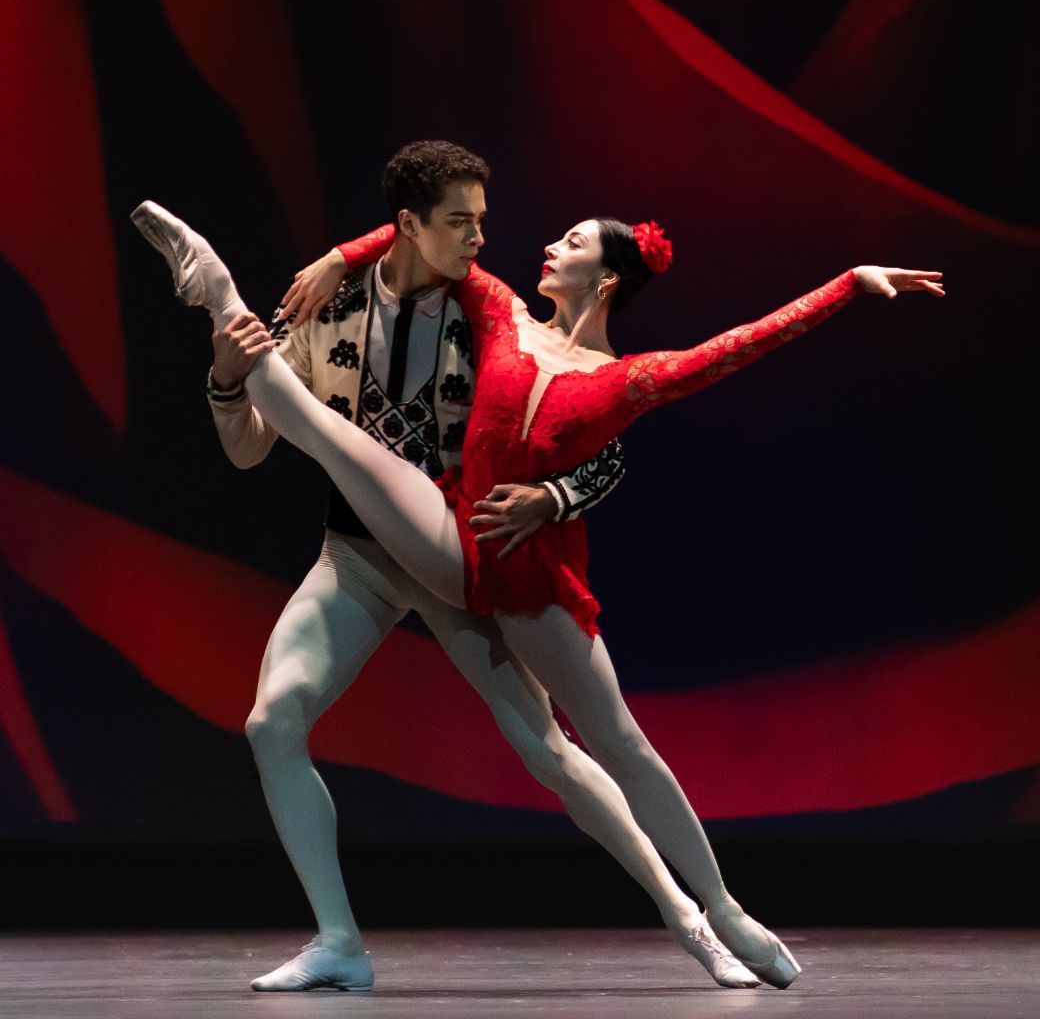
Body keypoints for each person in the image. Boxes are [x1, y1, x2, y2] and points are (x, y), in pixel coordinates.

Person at [133, 190, 943, 992]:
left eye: (573, 239)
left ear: (608, 278)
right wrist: (337, 257)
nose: (535, 243)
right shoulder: (493, 314)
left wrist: (848, 283)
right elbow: (421, 214)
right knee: (329, 443)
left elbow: (734, 349)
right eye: (469, 225)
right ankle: (217, 292)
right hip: (425, 541)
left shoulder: (615, 371)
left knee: (597, 747)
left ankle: (710, 911)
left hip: (523, 577)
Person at [204, 142, 663, 991]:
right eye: (460, 222)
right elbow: (247, 450)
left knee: (552, 751)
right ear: (411, 225)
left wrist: (555, 499)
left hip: (457, 564)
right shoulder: (324, 309)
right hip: (358, 557)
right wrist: (229, 381)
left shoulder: (493, 318)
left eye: (482, 221)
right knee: (272, 723)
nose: (481, 239)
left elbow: (598, 435)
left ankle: (692, 916)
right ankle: (339, 941)